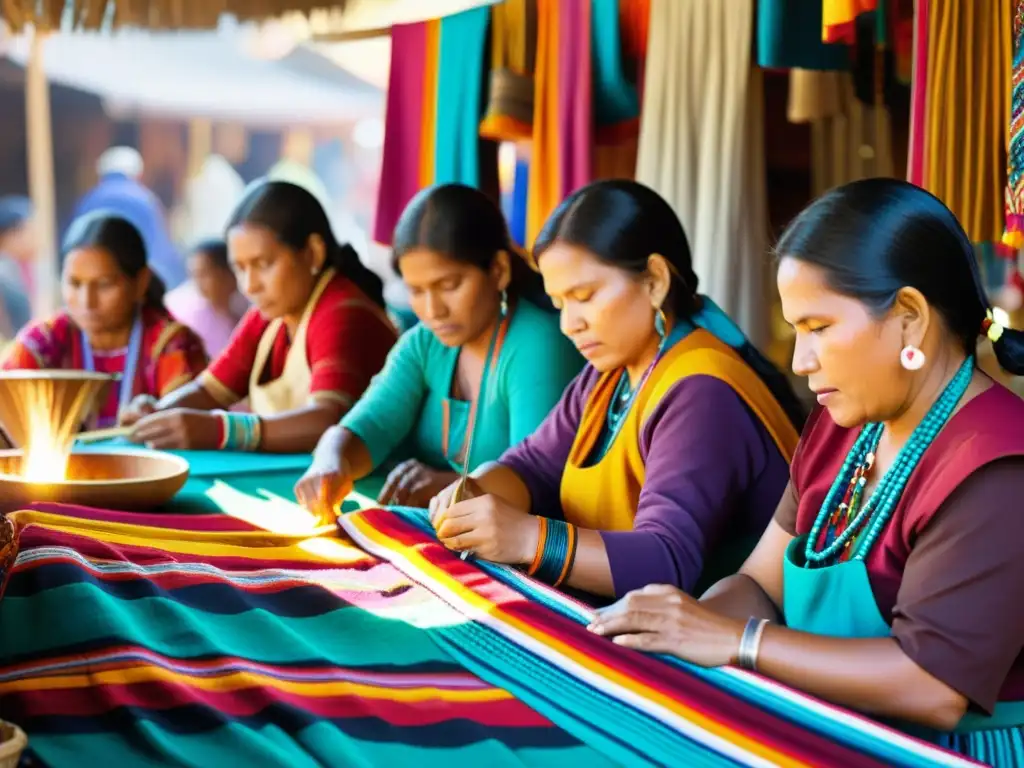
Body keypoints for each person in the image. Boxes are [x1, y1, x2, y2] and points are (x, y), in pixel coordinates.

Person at [587, 179, 1024, 764]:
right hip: (829, 729)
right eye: (796, 330)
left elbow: (933, 686)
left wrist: (734, 642)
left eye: (818, 328)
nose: (800, 360)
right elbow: (759, 585)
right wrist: (673, 631)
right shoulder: (843, 427)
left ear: (910, 318)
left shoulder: (995, 463)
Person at [425, 180, 806, 601]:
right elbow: (533, 466)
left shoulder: (702, 391)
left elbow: (666, 561)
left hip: (720, 638)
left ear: (655, 281)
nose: (570, 324)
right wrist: (473, 493)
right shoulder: (610, 375)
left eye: (584, 296)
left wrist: (525, 538)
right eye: (559, 303)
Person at [295, 184, 583, 510]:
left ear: (498, 271)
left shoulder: (536, 346)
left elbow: (538, 480)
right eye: (416, 290)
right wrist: (330, 459)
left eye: (449, 285)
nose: (433, 310)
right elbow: (368, 426)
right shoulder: (425, 343)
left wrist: (450, 486)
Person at [123, 180, 397, 454]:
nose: (249, 285)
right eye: (240, 268)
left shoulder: (342, 311)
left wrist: (220, 430)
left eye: (263, 264)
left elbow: (328, 421)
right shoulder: (270, 314)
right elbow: (209, 391)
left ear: (313, 253)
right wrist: (156, 415)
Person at [1, 212, 207, 429]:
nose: (86, 301)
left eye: (104, 284)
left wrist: (157, 416)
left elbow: (189, 427)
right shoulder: (42, 343)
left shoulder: (172, 344)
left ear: (140, 282)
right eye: (74, 283)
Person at [72, 147, 186, 289]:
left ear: (101, 175)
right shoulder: (146, 200)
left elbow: (75, 244)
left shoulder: (89, 200)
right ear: (138, 174)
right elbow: (161, 251)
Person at [164, 239, 248, 358]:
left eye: (204, 275)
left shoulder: (247, 305)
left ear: (229, 273)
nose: (198, 284)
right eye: (194, 275)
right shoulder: (191, 319)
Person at [0, 196, 37, 338]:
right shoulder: (4, 276)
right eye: (30, 231)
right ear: (10, 236)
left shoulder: (30, 268)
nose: (36, 237)